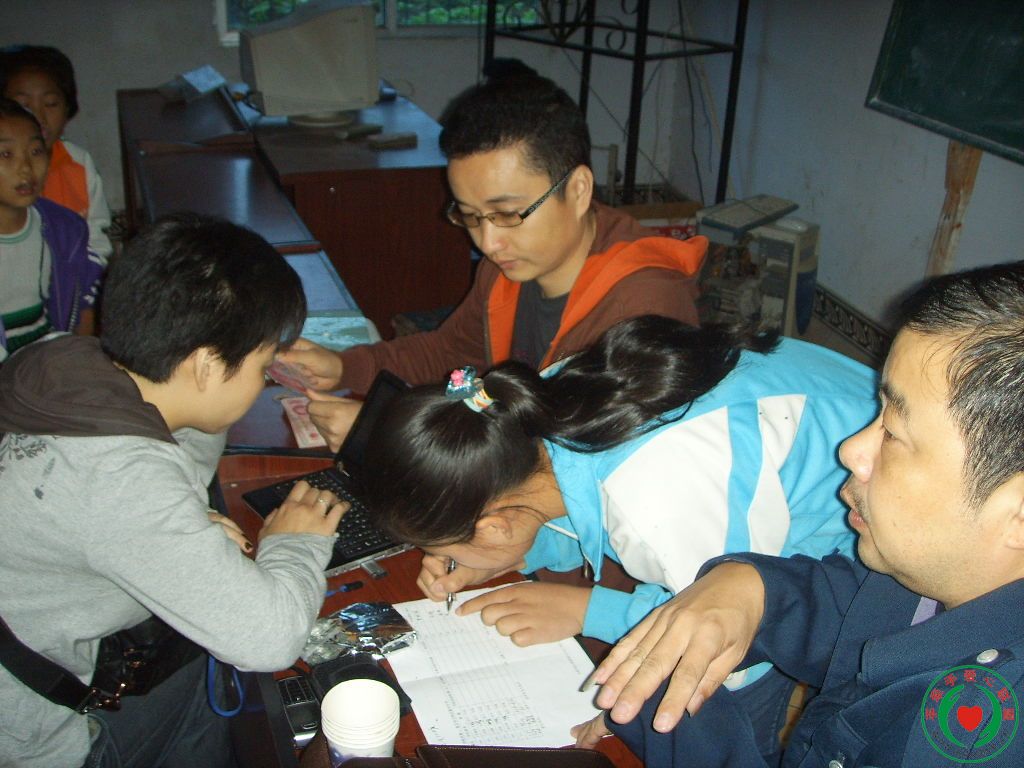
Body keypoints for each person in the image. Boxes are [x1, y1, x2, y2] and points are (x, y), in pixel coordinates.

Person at [360, 313, 877, 760]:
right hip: (792, 441)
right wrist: (512, 554)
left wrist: (588, 611)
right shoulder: (521, 409)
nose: (448, 560)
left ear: (495, 526)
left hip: (869, 525)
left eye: (447, 550)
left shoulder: (659, 497)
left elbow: (722, 624)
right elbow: (570, 498)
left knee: (720, 714)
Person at [580, 262, 1024, 767]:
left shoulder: (976, 740)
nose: (852, 449)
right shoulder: (931, 572)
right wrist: (753, 587)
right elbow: (851, 608)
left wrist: (663, 718)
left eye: (893, 432)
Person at [0, 214, 347, 768]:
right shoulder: (120, 479)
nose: (264, 381)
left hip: (32, 653)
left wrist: (178, 517)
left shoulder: (64, 362)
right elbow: (269, 640)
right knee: (223, 677)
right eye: (261, 367)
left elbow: (147, 473)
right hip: (35, 738)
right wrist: (295, 542)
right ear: (206, 366)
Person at [278, 62, 707, 451]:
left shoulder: (642, 309)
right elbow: (450, 354)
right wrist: (343, 367)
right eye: (469, 215)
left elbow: (570, 468)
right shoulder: (508, 268)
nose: (487, 242)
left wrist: (384, 433)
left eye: (507, 214)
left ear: (578, 191)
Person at [0, 44, 113, 309]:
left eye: (51, 104)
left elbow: (96, 237)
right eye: (22, 105)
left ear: (68, 108)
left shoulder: (79, 163)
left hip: (70, 293)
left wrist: (83, 286)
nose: (38, 116)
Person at [0, 98, 102, 360]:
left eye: (36, 151)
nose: (26, 168)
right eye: (6, 154)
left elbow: (85, 302)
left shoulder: (65, 230)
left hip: (46, 358)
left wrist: (79, 361)